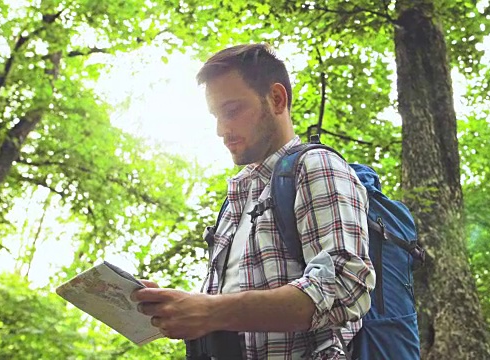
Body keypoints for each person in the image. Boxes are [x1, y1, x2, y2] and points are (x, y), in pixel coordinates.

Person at [131, 43, 376, 359]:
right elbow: (229, 315)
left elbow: (346, 284)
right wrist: (177, 307)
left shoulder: (315, 167)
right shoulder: (238, 199)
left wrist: (210, 312)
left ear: (276, 99)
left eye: (231, 111)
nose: (221, 130)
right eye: (215, 115)